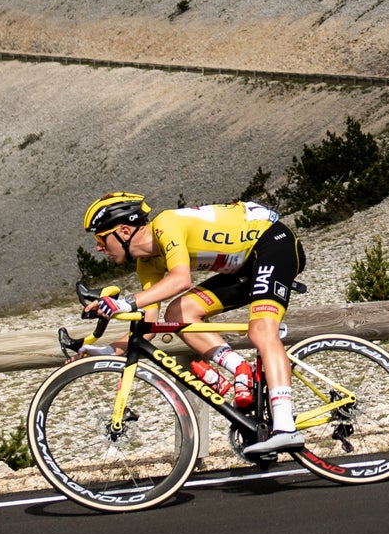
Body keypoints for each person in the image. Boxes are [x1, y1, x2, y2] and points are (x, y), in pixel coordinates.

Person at [80, 192, 308, 457]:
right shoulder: (146, 264)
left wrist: (125, 303)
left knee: (261, 331)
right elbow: (149, 325)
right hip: (245, 267)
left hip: (272, 244)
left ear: (124, 230)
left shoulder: (166, 224)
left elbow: (180, 280)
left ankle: (285, 428)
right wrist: (104, 351)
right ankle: (240, 368)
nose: (98, 248)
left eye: (100, 238)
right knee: (178, 312)